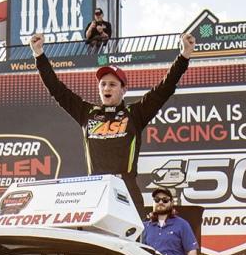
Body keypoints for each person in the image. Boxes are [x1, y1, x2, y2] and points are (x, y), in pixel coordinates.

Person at [31, 31, 196, 217]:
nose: (106, 88)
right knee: (94, 243)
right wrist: (39, 55)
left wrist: (184, 56)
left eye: (112, 84)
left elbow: (164, 89)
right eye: (102, 84)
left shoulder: (135, 113)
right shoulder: (87, 113)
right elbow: (57, 90)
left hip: (126, 188)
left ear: (124, 90)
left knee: (132, 243)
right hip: (95, 188)